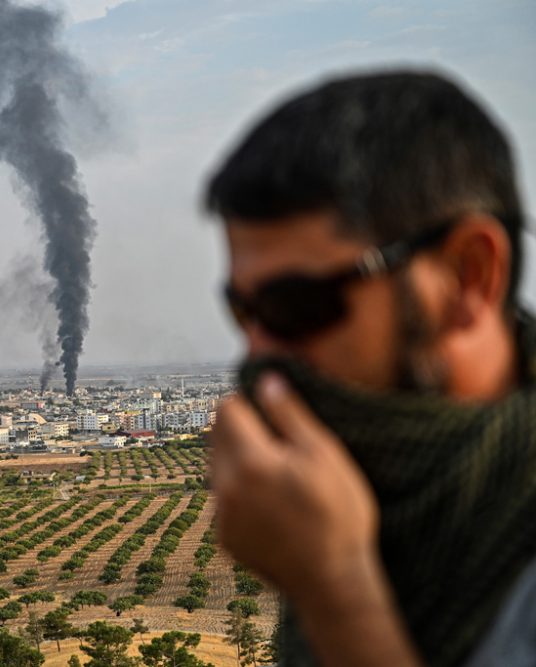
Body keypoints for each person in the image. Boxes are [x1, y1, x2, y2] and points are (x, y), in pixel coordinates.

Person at [204, 70, 536, 666]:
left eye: (295, 306)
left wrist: (337, 591)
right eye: (243, 310)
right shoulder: (383, 500)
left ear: (468, 276)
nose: (259, 354)